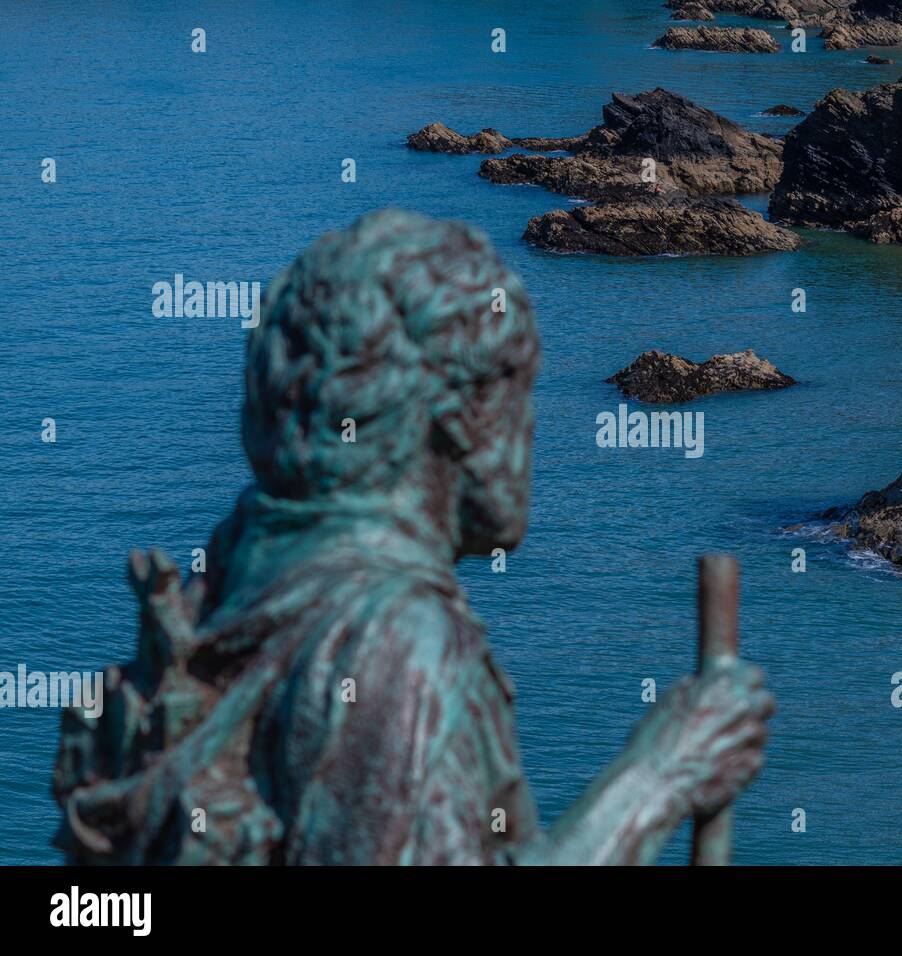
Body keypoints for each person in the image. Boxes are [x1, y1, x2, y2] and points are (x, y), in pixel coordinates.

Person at [53, 209, 774, 865]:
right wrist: (663, 775)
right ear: (465, 419)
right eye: (525, 398)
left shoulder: (230, 576)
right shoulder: (399, 646)